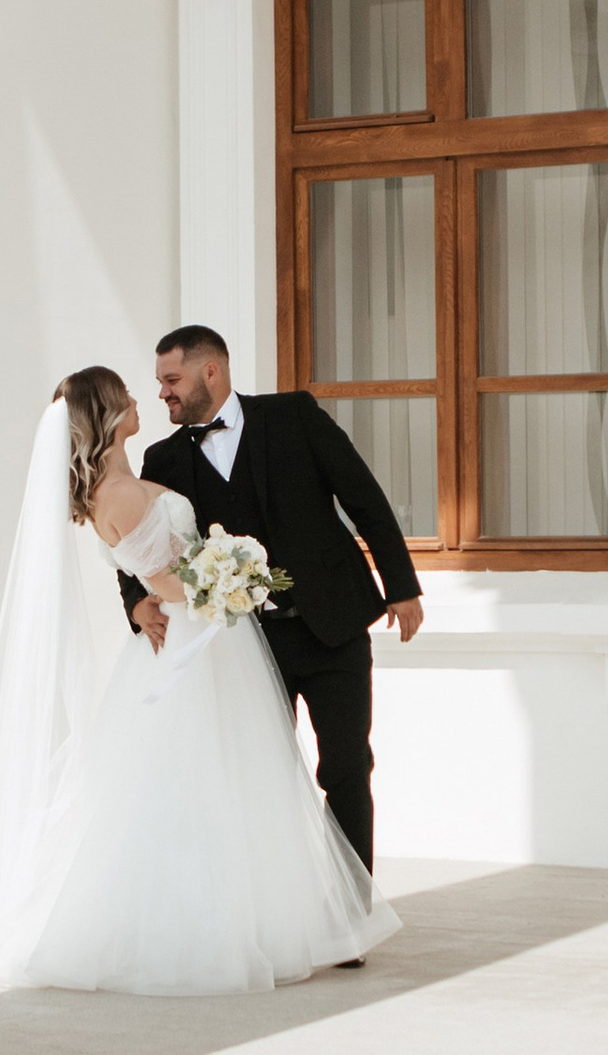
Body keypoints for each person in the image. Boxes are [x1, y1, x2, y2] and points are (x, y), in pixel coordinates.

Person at [0, 368, 398, 996]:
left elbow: (155, 571)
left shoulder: (117, 483)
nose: (143, 399)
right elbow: (163, 580)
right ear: (108, 414)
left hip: (202, 643)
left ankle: (266, 914)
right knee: (207, 786)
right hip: (197, 649)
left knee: (221, 783)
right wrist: (231, 581)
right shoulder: (117, 491)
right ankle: (205, 927)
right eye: (128, 395)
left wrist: (203, 583)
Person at [131, 324, 422, 875]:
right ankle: (283, 914)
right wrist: (134, 601)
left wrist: (401, 586)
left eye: (171, 379)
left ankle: (353, 909)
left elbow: (363, 495)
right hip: (245, 647)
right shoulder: (162, 459)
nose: (163, 393)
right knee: (260, 777)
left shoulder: (293, 416)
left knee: (346, 768)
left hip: (332, 627)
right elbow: (141, 540)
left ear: (209, 371)